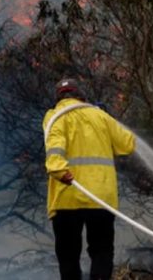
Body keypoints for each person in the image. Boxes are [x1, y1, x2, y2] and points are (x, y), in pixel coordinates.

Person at [43, 78, 135, 280]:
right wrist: (107, 119)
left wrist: (59, 170)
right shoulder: (99, 116)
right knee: (101, 252)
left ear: (58, 98)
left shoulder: (54, 116)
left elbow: (54, 149)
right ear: (81, 95)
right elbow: (127, 144)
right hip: (100, 198)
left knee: (68, 256)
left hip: (66, 196)